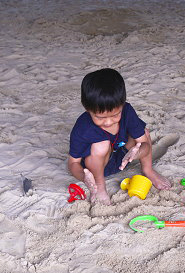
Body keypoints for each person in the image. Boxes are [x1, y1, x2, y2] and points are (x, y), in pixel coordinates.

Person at [68, 68, 171, 205]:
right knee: (101, 145)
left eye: (115, 115)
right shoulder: (82, 127)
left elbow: (144, 144)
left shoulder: (127, 111)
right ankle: (99, 186)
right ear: (87, 109)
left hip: (122, 158)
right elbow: (73, 163)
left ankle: (148, 170)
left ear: (122, 104)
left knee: (144, 132)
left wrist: (137, 152)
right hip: (97, 168)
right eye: (100, 117)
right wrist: (84, 177)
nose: (109, 122)